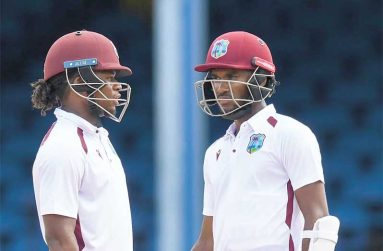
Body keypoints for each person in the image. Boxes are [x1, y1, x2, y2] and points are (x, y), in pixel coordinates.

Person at [191, 31, 340, 251]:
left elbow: (319, 222)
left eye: (231, 76)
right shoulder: (215, 152)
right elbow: (207, 241)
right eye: (215, 78)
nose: (220, 88)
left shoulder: (290, 134)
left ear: (260, 79)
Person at [31, 30, 134, 251]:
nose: (117, 86)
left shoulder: (96, 138)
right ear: (78, 83)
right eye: (108, 78)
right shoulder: (63, 146)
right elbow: (58, 239)